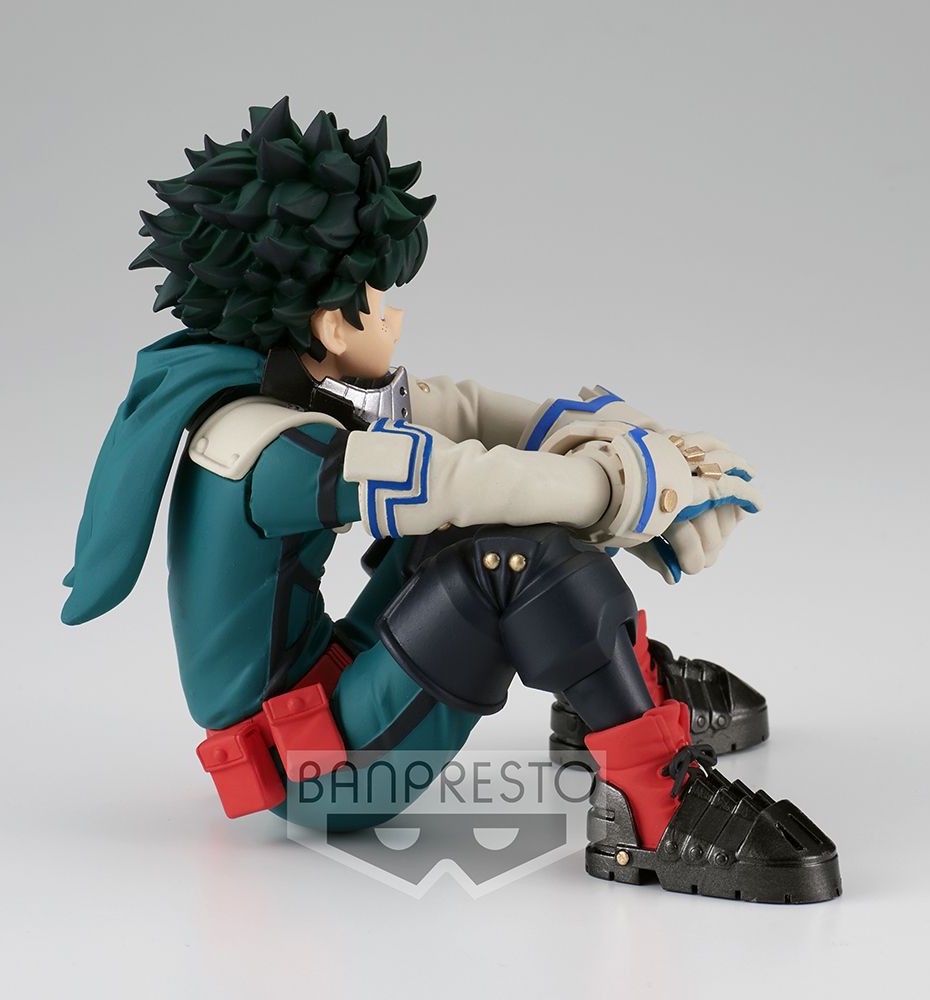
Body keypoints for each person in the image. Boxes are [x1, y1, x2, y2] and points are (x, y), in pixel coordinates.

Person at [63, 98, 839, 903]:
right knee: (511, 560)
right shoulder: (273, 454)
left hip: (321, 698)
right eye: (379, 297)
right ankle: (653, 801)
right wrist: (630, 487)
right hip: (319, 767)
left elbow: (462, 414)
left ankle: (615, 693)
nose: (395, 316)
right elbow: (454, 479)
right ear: (331, 325)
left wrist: (638, 440)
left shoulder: (271, 388)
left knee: (504, 517)